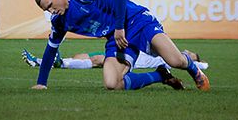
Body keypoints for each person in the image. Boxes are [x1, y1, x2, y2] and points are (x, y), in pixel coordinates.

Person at [30, 0, 210, 91]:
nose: (51, 11)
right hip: (116, 38)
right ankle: (160, 76)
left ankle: (193, 68)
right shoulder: (59, 21)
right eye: (47, 9)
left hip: (136, 21)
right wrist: (41, 83)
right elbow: (51, 50)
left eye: (51, 5)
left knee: (176, 61)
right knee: (112, 83)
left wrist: (118, 27)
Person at [22, 48, 209, 71]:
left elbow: (203, 65)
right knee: (88, 57)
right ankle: (42, 61)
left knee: (96, 60)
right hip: (131, 49)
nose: (188, 52)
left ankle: (48, 62)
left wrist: (198, 63)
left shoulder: (176, 60)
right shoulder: (171, 52)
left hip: (133, 59)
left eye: (192, 54)